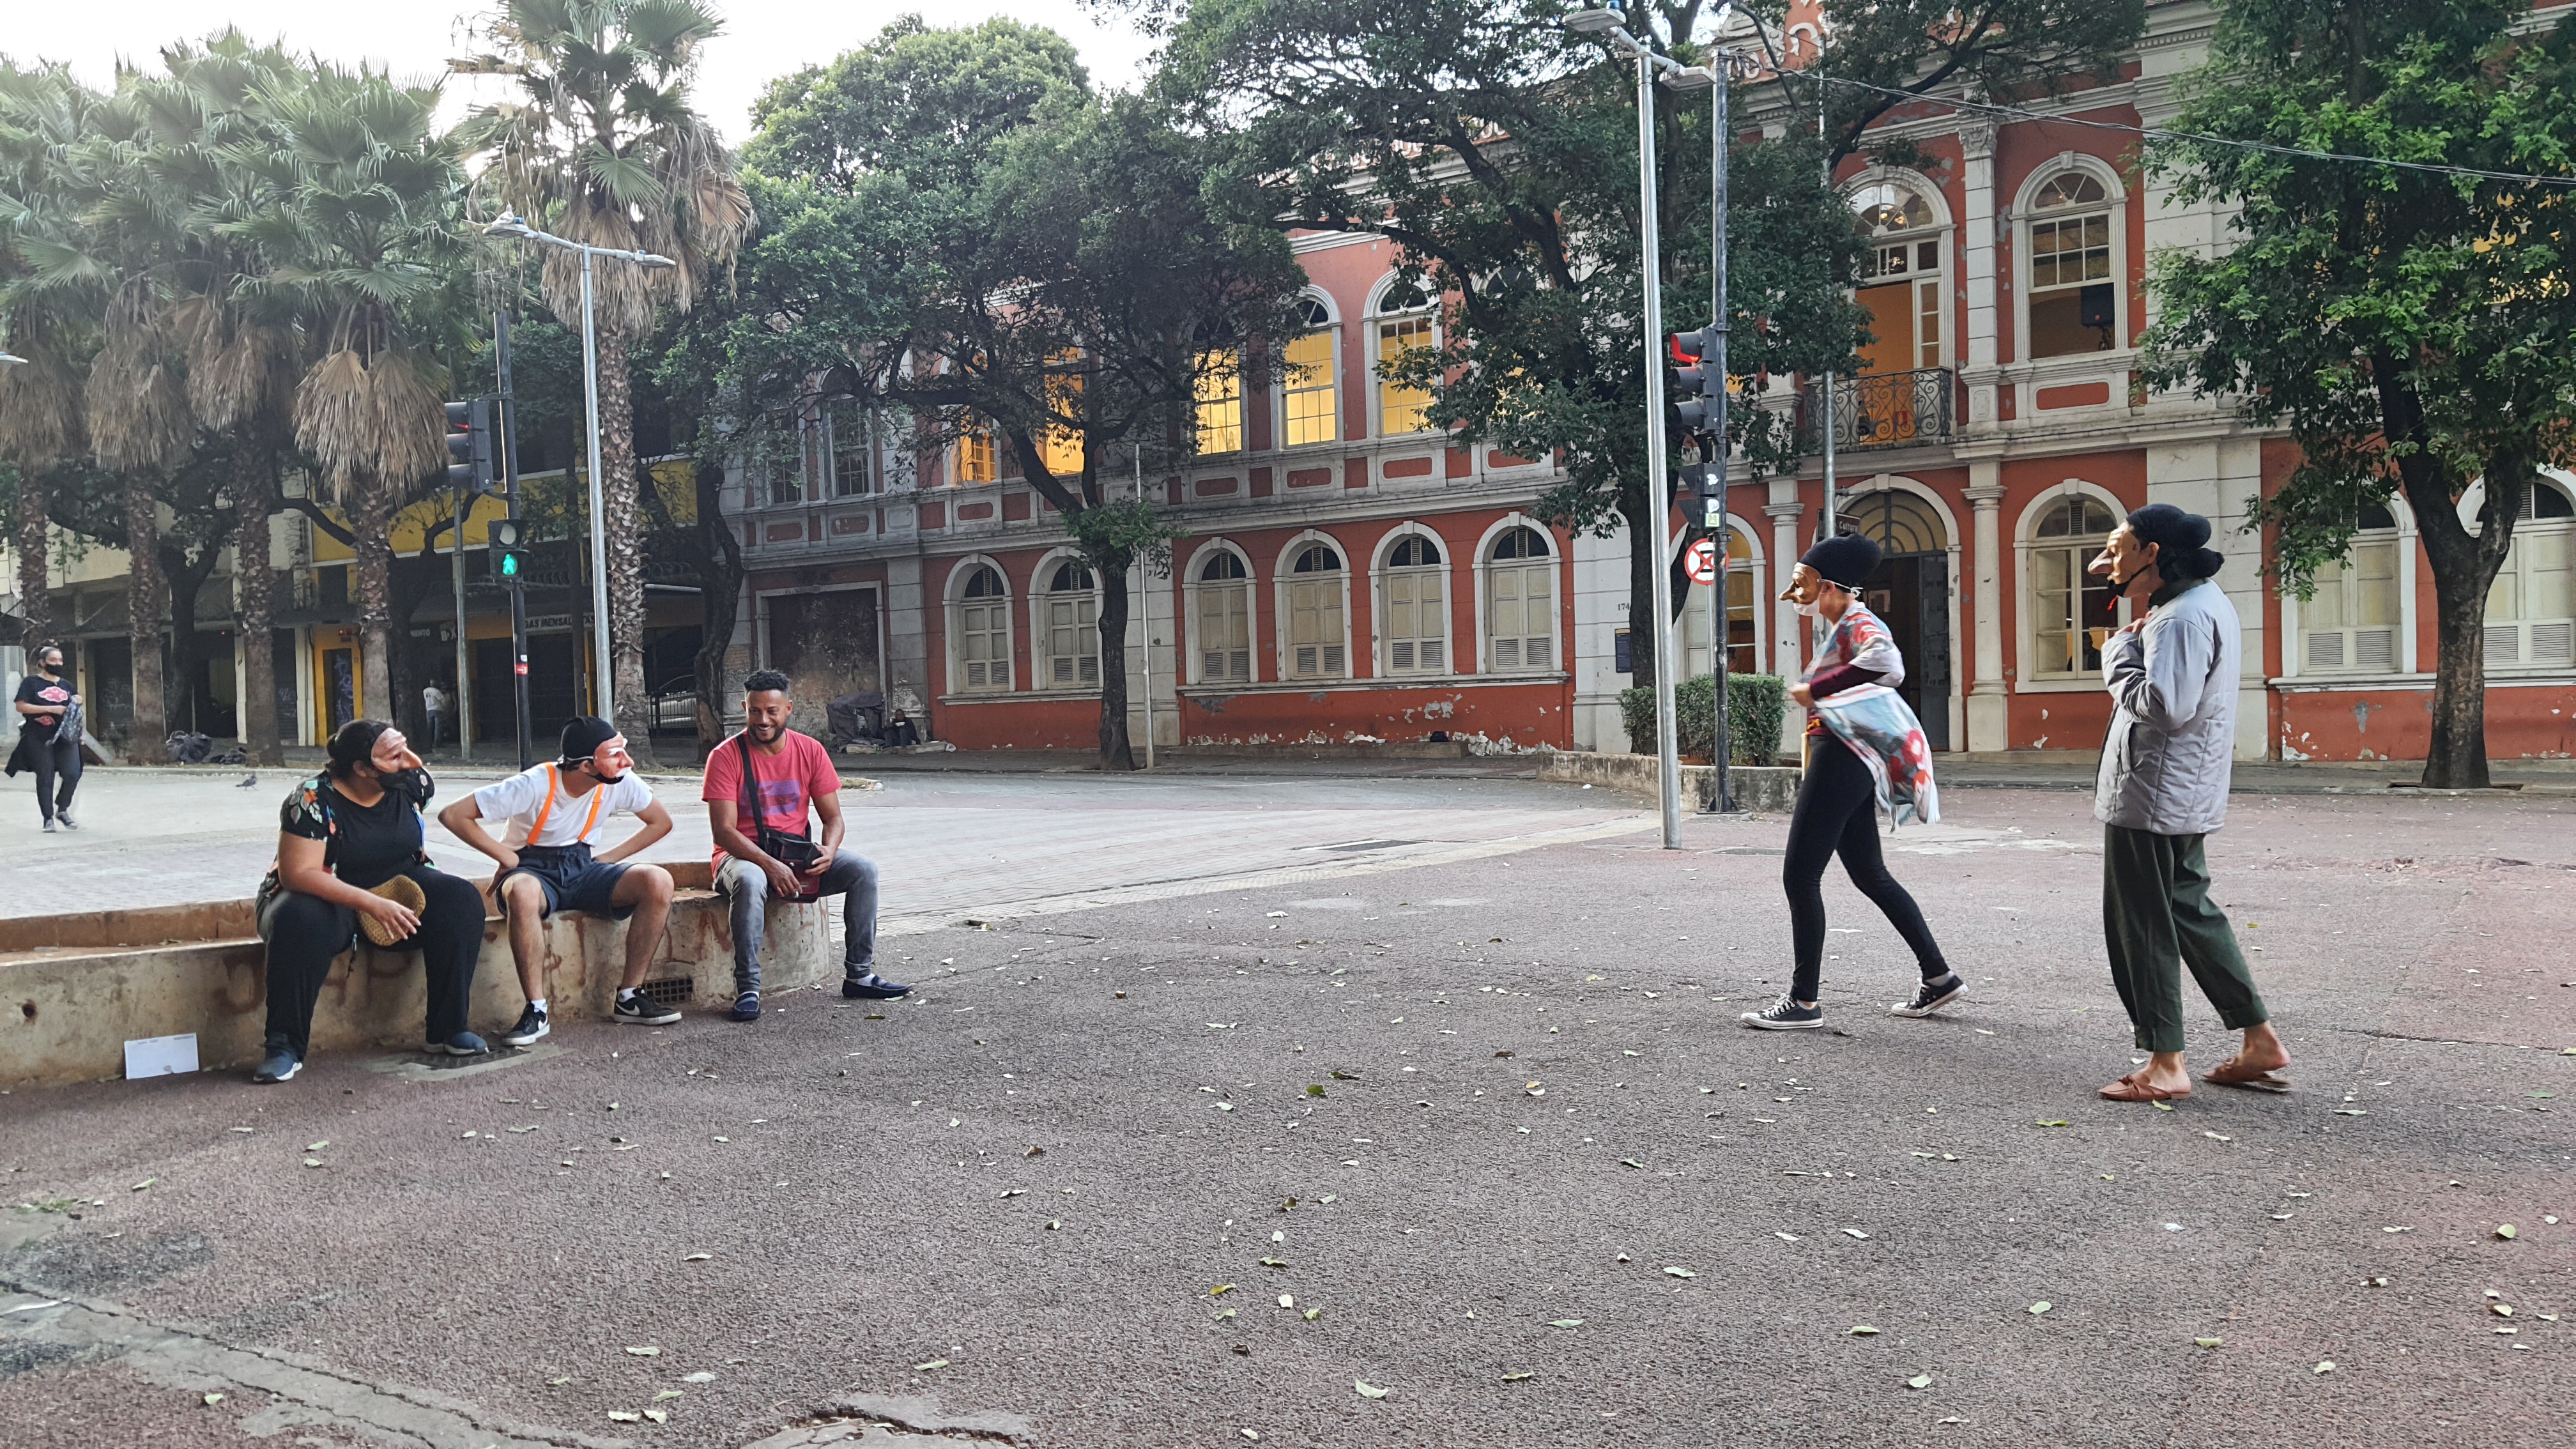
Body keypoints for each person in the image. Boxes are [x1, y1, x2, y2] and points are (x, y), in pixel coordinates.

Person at [2089, 504, 2287, 1102]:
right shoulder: (2204, 604)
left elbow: (2166, 706)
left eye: (2119, 549)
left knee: (2141, 924)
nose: (2108, 564)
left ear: (2153, 554)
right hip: (2179, 789)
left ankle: (2164, 1061)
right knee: (2191, 912)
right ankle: (2258, 1038)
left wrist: (2115, 656)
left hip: (2152, 792)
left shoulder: (2177, 619)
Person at [1743, 532, 1959, 1031]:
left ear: (1831, 586)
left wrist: (1817, 687)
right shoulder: (1844, 625)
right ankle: (1940, 977)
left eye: (1801, 583)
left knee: (1800, 875)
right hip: (1849, 756)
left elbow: (1889, 666)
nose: (1790, 594)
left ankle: (1803, 1003)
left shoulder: (1860, 622)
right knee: (1869, 875)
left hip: (1842, 757)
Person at [252, 719, 487, 1083]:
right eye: (394, 756)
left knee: (463, 901)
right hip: (323, 892)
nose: (409, 762)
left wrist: (400, 750)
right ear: (362, 769)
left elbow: (414, 765)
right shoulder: (312, 797)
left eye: (406, 749)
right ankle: (284, 1046)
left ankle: (448, 1030)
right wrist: (371, 903)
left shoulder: (412, 782)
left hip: (399, 884)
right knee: (299, 919)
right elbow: (297, 874)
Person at [438, 716, 681, 1045]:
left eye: (623, 750)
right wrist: (506, 857)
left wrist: (608, 859)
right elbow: (453, 814)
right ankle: (536, 1010)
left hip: (583, 868)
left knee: (659, 881)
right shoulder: (533, 784)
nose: (628, 761)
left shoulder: (621, 780)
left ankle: (630, 998)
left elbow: (660, 822)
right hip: (530, 872)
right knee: (522, 892)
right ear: (584, 766)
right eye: (615, 754)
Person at [701, 669, 909, 1022]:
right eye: (755, 711)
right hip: (740, 857)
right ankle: (748, 988)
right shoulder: (725, 756)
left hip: (794, 853)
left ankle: (859, 974)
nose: (763, 720)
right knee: (751, 880)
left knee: (863, 871)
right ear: (745, 708)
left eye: (772, 711)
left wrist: (828, 851)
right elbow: (724, 832)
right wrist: (770, 865)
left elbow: (834, 819)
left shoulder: (810, 751)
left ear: (788, 709)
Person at [8, 643, 82, 831]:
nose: (57, 663)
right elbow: (21, 706)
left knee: (73, 773)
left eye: (60, 660)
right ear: (42, 663)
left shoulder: (66, 685)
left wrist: (78, 700)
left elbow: (74, 705)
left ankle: (63, 809)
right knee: (45, 776)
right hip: (39, 737)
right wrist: (48, 709)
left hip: (65, 736)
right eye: (52, 660)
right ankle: (47, 818)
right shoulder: (31, 683)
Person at [422, 681, 447, 749]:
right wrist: (443, 707)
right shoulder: (436, 691)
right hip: (438, 709)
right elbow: (443, 700)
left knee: (430, 727)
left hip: (429, 710)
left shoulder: (425, 691)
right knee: (438, 727)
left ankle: (429, 742)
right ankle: (437, 743)